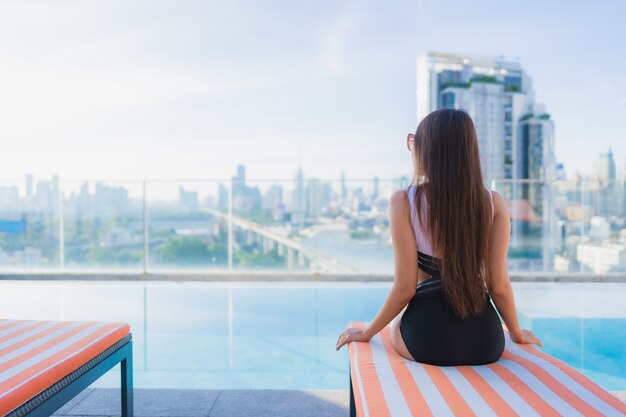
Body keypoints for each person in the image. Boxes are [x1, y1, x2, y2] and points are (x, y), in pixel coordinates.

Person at [335, 108, 542, 366]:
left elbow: (405, 289)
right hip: (486, 342)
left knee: (396, 322)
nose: (411, 150)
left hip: (427, 340)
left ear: (428, 149)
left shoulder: (403, 201)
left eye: (414, 142)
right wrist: (517, 334)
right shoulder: (493, 203)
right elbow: (499, 286)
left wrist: (368, 332)